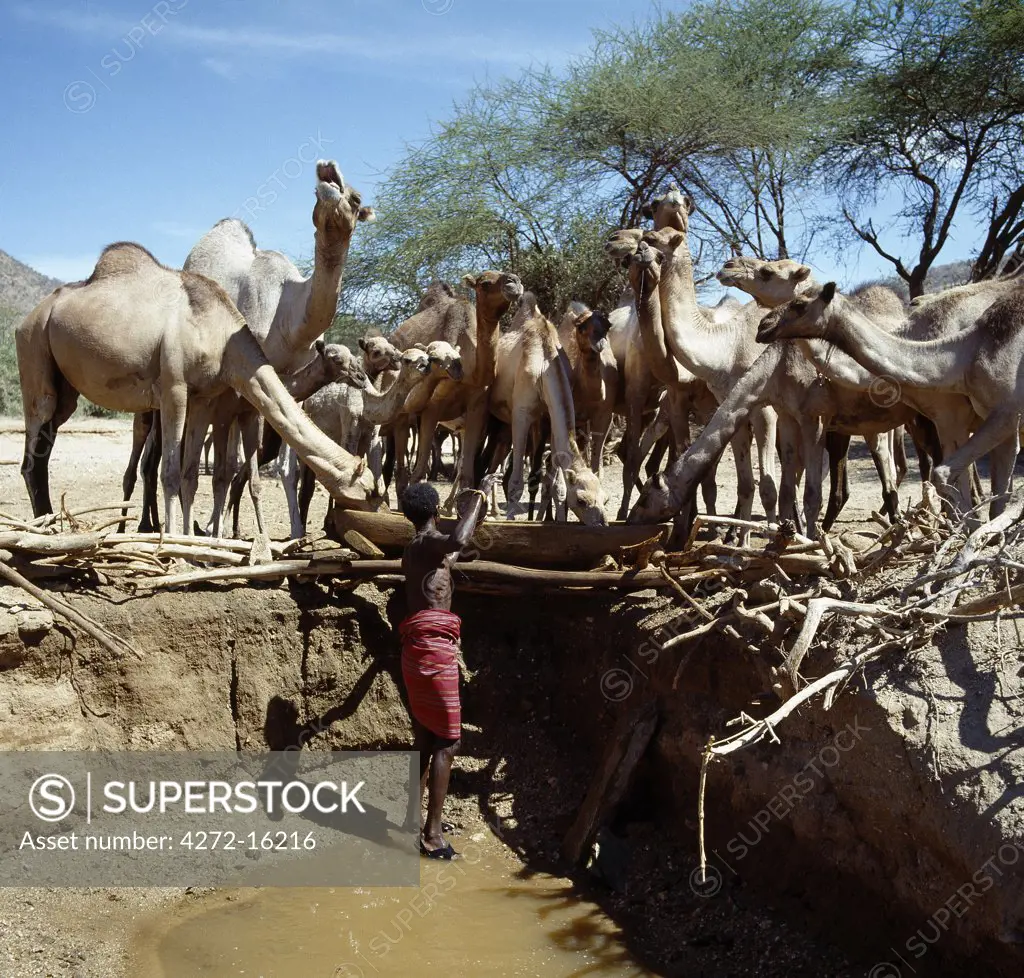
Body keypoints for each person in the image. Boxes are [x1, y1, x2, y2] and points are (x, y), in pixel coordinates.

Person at [398, 475, 496, 859]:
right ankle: (432, 836)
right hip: (433, 652)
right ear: (436, 512)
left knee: (426, 738)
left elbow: (452, 555)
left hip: (418, 650)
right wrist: (475, 502)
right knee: (450, 741)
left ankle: (414, 821)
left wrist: (478, 519)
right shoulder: (427, 542)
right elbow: (456, 542)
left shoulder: (417, 548)